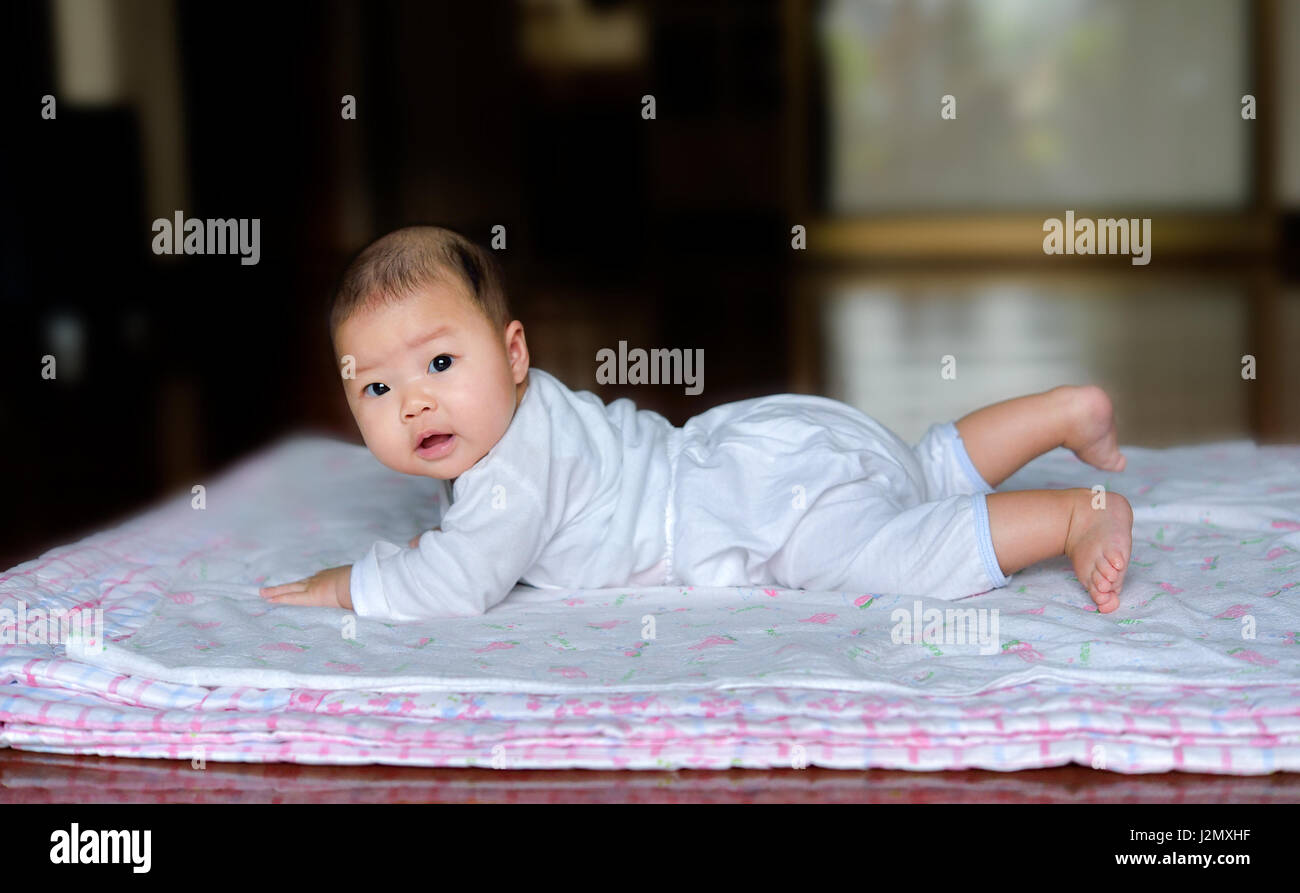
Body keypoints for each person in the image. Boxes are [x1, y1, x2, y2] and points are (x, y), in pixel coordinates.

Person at [260, 227, 1132, 620]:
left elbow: (453, 585)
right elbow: (477, 545)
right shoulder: (530, 411)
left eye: (440, 364)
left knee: (893, 549)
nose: (412, 401)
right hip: (766, 440)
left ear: (512, 352)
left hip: (759, 512)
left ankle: (1070, 514)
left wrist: (350, 583)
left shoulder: (509, 476)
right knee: (916, 467)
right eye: (375, 389)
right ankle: (1063, 410)